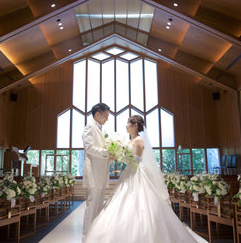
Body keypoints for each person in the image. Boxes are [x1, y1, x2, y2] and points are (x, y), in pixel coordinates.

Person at [84, 115, 207, 243]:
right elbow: (128, 157)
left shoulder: (138, 140)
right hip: (128, 173)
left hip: (136, 173)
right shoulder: (129, 140)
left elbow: (136, 161)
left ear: (135, 126)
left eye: (128, 123)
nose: (126, 126)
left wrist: (122, 157)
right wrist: (117, 155)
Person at [81, 103, 111, 241]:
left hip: (101, 173)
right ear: (97, 114)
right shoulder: (90, 127)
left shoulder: (100, 129)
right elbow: (89, 148)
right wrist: (107, 153)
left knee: (99, 206)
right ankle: (87, 236)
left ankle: (95, 234)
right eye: (106, 116)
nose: (107, 119)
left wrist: (110, 155)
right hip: (94, 173)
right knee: (92, 205)